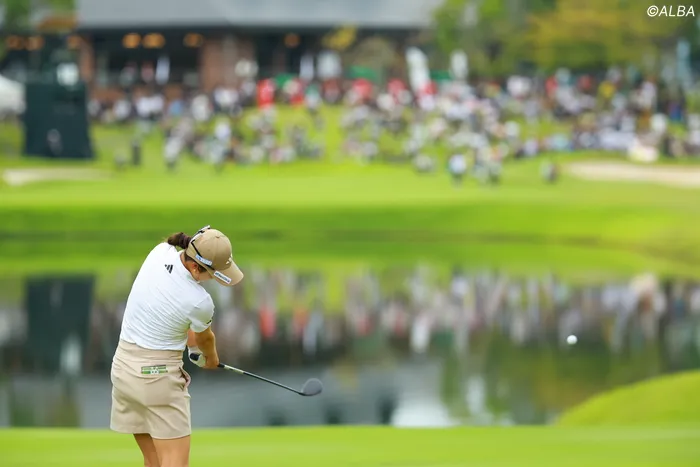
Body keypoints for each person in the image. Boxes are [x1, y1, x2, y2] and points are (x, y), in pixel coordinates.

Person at [110, 226, 243, 467]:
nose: (212, 279)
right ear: (196, 268)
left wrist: (196, 351)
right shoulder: (200, 301)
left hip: (123, 372)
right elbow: (205, 340)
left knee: (153, 462)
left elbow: (184, 330)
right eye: (212, 274)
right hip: (157, 379)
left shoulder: (159, 252)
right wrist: (211, 359)